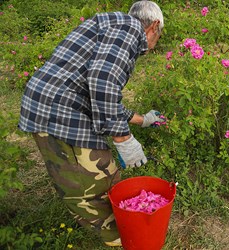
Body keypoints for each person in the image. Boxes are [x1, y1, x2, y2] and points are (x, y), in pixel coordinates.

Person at [18, 1, 165, 247]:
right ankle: (121, 238)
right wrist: (123, 139)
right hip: (59, 111)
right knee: (89, 185)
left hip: (55, 104)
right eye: (158, 38)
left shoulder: (114, 24)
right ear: (154, 26)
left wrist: (142, 120)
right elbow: (103, 81)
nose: (153, 46)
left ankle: (122, 224)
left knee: (107, 174)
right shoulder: (130, 28)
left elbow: (101, 91)